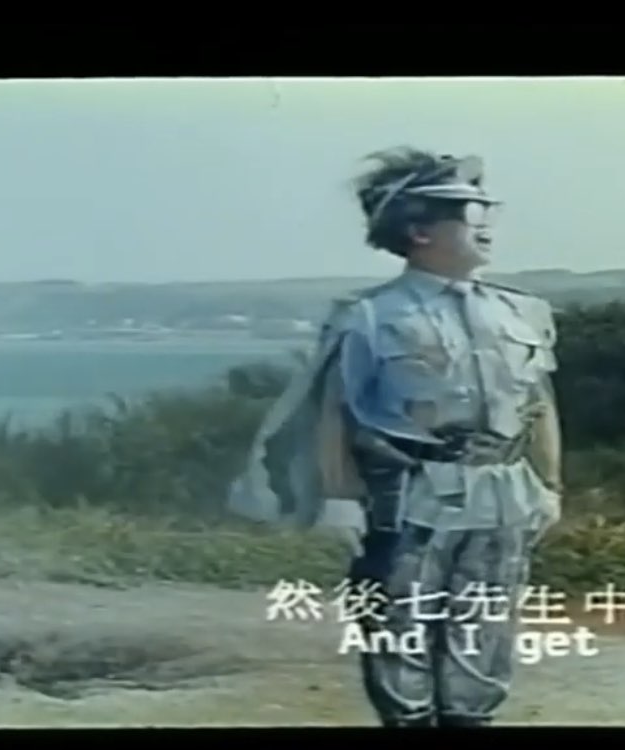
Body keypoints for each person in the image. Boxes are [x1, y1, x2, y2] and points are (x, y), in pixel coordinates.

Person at [228, 146, 563, 727]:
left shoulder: (523, 312)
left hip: (504, 491)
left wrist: (551, 484)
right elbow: (335, 411)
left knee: (487, 622)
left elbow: (540, 404)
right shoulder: (370, 315)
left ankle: (471, 719)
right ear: (419, 231)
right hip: (411, 494)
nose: (486, 225)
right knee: (399, 623)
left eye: (488, 211)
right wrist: (339, 496)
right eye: (469, 213)